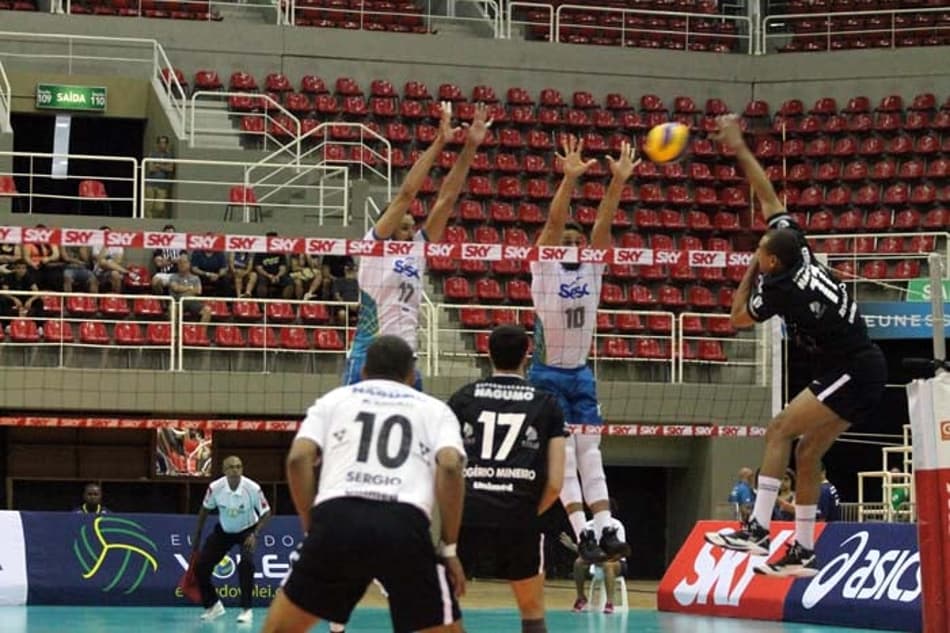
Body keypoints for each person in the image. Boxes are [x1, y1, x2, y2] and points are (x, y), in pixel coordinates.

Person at [703, 114, 887, 578]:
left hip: (855, 366)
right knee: (806, 454)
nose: (761, 247)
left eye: (763, 249)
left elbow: (736, 318)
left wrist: (750, 269)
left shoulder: (784, 288)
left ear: (772, 261)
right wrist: (739, 146)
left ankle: (758, 529)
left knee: (779, 427)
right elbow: (769, 198)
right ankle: (804, 550)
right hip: (861, 365)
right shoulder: (798, 247)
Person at [261, 335, 467, 633]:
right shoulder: (435, 409)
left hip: (338, 517)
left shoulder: (334, 400)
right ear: (412, 375)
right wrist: (448, 548)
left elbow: (297, 459)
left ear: (363, 372)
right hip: (403, 524)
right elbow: (449, 466)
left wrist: (312, 526)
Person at [527, 136, 637, 563]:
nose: (572, 243)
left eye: (578, 238)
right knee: (567, 453)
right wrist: (570, 180)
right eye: (566, 239)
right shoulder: (545, 267)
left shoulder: (592, 266)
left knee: (591, 451)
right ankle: (580, 532)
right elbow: (553, 227)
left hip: (581, 372)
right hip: (547, 372)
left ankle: (605, 527)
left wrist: (617, 183)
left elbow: (604, 226)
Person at [343, 102, 491, 389]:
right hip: (369, 356)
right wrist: (439, 142)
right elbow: (407, 194)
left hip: (406, 358)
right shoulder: (374, 246)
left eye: (412, 227)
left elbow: (447, 198)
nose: (411, 232)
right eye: (404, 227)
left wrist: (471, 147)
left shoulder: (417, 250)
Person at [448, 325, 566, 633]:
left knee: (445, 606)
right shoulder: (547, 403)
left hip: (469, 512)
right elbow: (555, 482)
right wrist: (528, 512)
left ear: (488, 353)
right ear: (527, 355)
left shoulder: (463, 399)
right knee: (532, 611)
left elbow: (446, 466)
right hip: (520, 513)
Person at [192, 455, 272, 624]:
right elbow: (204, 510)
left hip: (247, 531)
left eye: (238, 466)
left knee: (246, 564)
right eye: (231, 467)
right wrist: (197, 536)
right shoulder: (215, 488)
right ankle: (213, 606)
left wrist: (254, 534)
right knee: (201, 567)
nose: (236, 470)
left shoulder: (252, 488)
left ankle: (246, 610)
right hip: (224, 531)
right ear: (224, 471)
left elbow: (266, 513)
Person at [561, 510, 628, 614]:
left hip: (616, 562)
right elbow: (584, 551)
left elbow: (620, 552)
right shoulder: (588, 526)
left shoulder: (616, 525)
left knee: (607, 565)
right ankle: (581, 597)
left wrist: (600, 558)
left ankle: (609, 603)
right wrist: (572, 546)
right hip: (595, 560)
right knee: (578, 563)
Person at [169, 256, 212, 324]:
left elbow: (198, 291)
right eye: (180, 263)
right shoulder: (173, 277)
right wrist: (190, 288)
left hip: (193, 302)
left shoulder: (195, 278)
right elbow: (176, 288)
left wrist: (182, 290)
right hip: (178, 302)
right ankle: (175, 333)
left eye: (184, 262)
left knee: (207, 310)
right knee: (172, 309)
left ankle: (200, 333)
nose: (182, 264)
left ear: (189, 264)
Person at [145, 135, 175, 219]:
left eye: (164, 142)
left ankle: (155, 221)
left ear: (167, 144)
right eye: (161, 142)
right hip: (150, 184)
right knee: (148, 206)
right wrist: (163, 166)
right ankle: (149, 224)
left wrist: (159, 165)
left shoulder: (169, 155)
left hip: (162, 185)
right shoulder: (152, 154)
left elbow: (170, 168)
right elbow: (151, 168)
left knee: (160, 207)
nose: (162, 145)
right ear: (157, 144)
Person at [151, 224, 185, 294]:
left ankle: (173, 303)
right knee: (155, 281)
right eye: (167, 234)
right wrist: (173, 260)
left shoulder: (181, 247)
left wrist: (166, 260)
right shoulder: (159, 247)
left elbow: (184, 261)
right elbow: (159, 263)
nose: (170, 236)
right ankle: (162, 302)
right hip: (163, 274)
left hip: (177, 274)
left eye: (171, 234)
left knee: (175, 284)